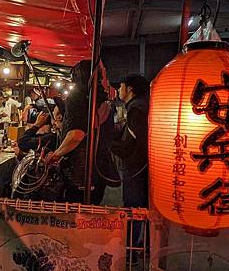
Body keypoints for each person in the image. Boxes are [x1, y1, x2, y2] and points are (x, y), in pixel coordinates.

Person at [45, 60, 107, 204]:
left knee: (74, 220)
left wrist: (56, 154)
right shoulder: (100, 96)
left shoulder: (77, 97)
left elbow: (76, 135)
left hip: (79, 174)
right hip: (99, 172)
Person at [110, 75, 150, 209]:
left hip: (136, 171)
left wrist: (110, 145)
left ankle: (135, 230)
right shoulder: (141, 105)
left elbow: (134, 145)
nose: (118, 90)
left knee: (134, 208)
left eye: (120, 87)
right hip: (139, 170)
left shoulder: (136, 109)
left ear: (129, 89)